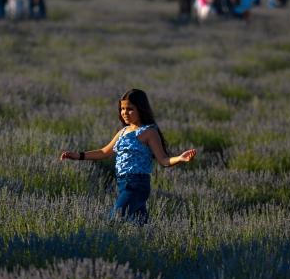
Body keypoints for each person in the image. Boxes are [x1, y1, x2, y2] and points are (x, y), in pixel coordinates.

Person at [60, 89, 197, 224]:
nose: (124, 112)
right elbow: (104, 152)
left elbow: (163, 160)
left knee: (114, 220)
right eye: (122, 109)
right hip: (123, 184)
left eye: (130, 109)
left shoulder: (149, 132)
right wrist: (78, 155)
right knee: (140, 225)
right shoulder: (123, 132)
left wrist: (180, 158)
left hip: (137, 184)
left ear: (141, 109)